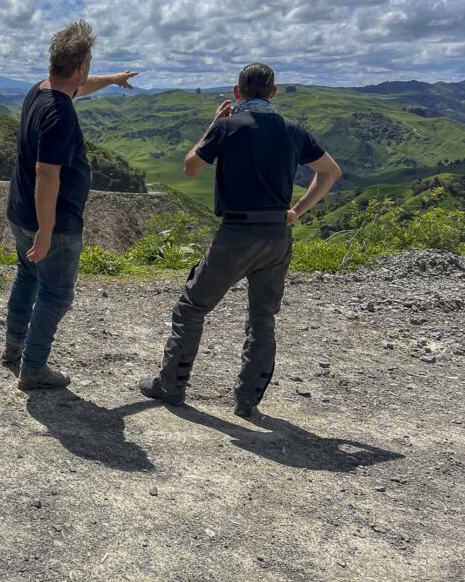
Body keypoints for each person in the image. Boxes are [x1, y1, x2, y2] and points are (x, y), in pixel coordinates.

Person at [139, 63, 341, 417]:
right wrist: (297, 210)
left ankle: (171, 386)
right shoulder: (295, 130)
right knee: (262, 317)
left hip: (237, 233)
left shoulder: (228, 127)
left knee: (192, 306)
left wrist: (212, 125)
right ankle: (248, 401)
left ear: (237, 92)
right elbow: (331, 172)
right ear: (273, 93)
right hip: (278, 233)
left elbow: (191, 168)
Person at [3, 20, 138, 390]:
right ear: (80, 67)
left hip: (20, 212)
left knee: (28, 275)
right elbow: (48, 175)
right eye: (89, 66)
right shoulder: (60, 114)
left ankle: (13, 346)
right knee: (56, 293)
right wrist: (46, 231)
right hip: (52, 222)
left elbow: (79, 87)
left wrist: (112, 78)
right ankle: (33, 368)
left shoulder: (39, 91)